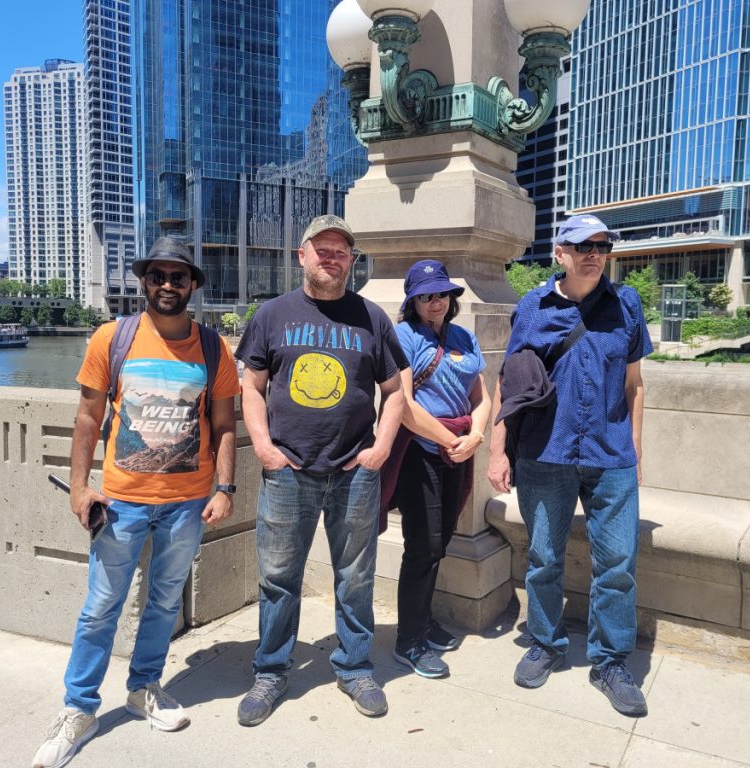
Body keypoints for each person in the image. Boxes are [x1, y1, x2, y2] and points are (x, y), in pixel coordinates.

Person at [32, 237, 240, 768]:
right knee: (100, 607)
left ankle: (143, 687)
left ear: (193, 285)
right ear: (143, 281)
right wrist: (80, 487)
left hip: (187, 502)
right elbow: (87, 417)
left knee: (165, 603)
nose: (167, 285)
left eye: (178, 277)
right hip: (122, 501)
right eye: (157, 276)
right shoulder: (113, 338)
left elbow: (224, 425)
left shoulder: (214, 348)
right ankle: (79, 709)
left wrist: (225, 488)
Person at [234, 214, 407, 725]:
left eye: (341, 252)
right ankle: (271, 670)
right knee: (278, 577)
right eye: (322, 249)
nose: (332, 258)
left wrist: (380, 450)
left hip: (355, 471)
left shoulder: (372, 318)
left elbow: (396, 392)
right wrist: (264, 447)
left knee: (355, 577)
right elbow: (251, 387)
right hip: (288, 472)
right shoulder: (272, 315)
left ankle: (355, 667)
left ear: (351, 261)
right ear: (302, 255)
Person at [487, 214, 653, 717]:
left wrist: (635, 449)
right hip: (545, 452)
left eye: (602, 246)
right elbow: (509, 384)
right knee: (543, 557)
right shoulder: (532, 307)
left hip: (611, 455)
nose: (594, 254)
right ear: (559, 252)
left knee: (618, 562)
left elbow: (635, 385)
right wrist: (497, 451)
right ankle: (545, 642)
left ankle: (610, 662)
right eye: (583, 246)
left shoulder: (627, 304)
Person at [382, 260, 490, 678]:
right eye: (425, 295)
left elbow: (482, 395)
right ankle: (408, 641)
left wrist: (475, 435)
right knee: (423, 546)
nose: (435, 302)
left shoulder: (464, 336)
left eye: (441, 293)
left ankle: (423, 622)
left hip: (458, 450)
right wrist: (451, 440)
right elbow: (405, 406)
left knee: (440, 541)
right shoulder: (404, 337)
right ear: (412, 301)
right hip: (421, 452)